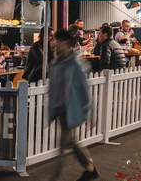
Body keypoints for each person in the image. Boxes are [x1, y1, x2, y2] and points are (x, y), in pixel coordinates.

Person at [48, 29, 99, 181]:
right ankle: (90, 169)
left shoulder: (76, 64)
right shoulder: (55, 62)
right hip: (60, 110)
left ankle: (56, 177)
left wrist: (90, 113)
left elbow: (84, 89)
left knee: (63, 147)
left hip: (70, 110)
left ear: (65, 43)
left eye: (56, 40)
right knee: (72, 143)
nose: (53, 43)